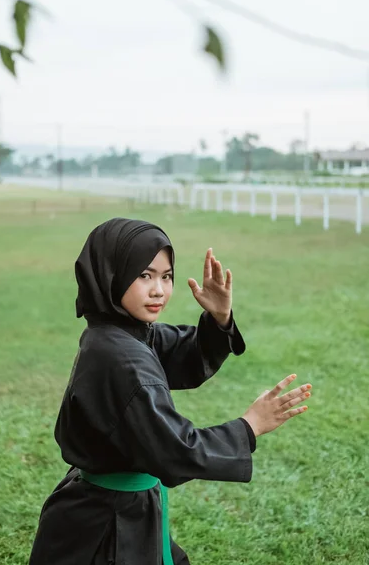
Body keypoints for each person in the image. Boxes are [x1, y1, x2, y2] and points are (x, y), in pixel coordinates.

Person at [29, 217, 311, 565]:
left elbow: (186, 354)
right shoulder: (121, 357)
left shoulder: (117, 331)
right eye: (144, 275)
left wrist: (219, 318)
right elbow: (176, 450)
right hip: (108, 524)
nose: (159, 290)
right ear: (110, 273)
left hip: (112, 507)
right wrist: (250, 425)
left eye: (167, 276)